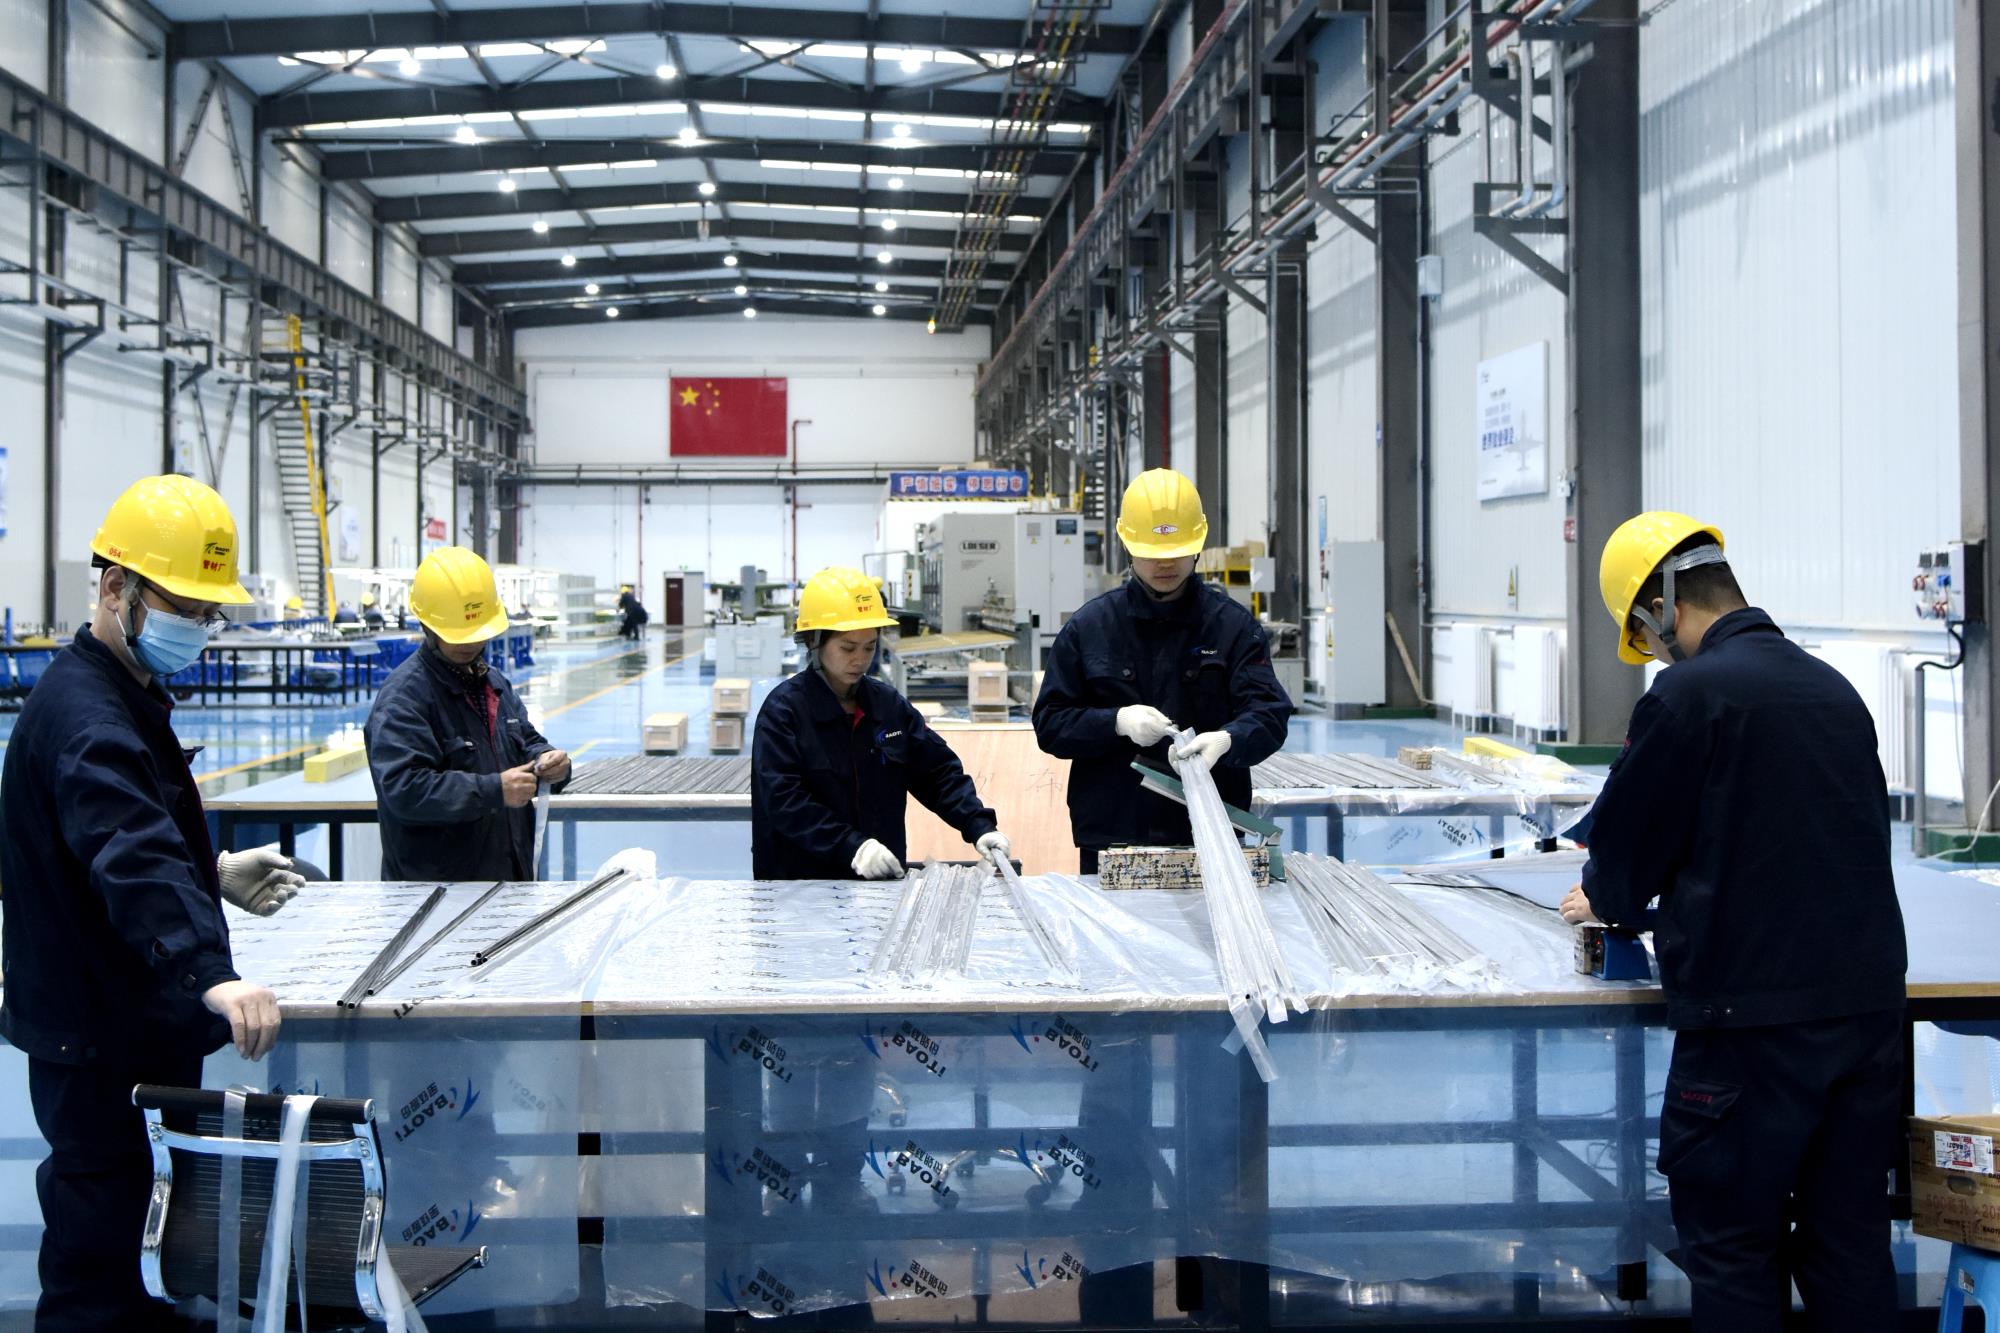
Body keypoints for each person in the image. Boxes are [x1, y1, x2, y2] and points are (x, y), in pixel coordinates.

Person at [1558, 513, 1907, 1332]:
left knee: (1733, 1248)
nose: (1656, 656)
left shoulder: (1689, 695)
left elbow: (1625, 859)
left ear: (1661, 609)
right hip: (1865, 1018)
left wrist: (1601, 895)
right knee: (1850, 1246)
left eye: (1647, 639)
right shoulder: (1834, 689)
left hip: (1748, 1030)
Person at [1, 475, 295, 1331]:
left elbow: (125, 836)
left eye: (208, 613)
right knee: (100, 1269)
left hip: (121, 1021)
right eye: (183, 607)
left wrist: (214, 868)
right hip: (99, 1041)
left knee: (146, 1246)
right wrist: (209, 969)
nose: (197, 628)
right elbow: (127, 852)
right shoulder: (89, 718)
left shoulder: (116, 693)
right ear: (114, 588)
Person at [1032, 468, 1293, 871]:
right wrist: (1115, 722)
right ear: (1127, 544)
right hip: (1112, 837)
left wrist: (1229, 739)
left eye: (1177, 551)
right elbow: (1051, 723)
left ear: (1197, 545)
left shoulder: (1233, 628)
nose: (1165, 563)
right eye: (1152, 552)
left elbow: (1269, 714)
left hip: (1209, 832)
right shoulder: (1089, 629)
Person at [752, 566, 1010, 880]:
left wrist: (978, 825)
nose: (860, 659)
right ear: (813, 642)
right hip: (800, 887)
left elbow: (937, 772)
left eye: (870, 647)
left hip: (879, 885)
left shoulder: (887, 706)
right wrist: (852, 847)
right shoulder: (784, 713)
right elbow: (784, 801)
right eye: (848, 647)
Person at [365, 546, 571, 881]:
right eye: (457, 635)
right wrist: (493, 790)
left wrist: (550, 762)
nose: (470, 644)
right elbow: (404, 790)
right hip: (436, 892)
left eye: (478, 634)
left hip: (506, 882)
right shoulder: (404, 698)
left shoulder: (494, 683)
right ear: (427, 625)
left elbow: (526, 742)